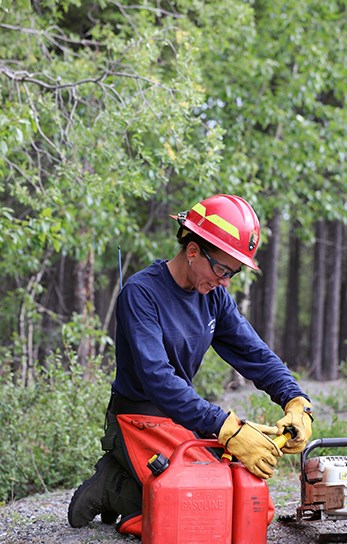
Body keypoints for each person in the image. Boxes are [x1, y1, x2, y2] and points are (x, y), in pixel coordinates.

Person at [68, 193, 313, 536]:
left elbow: (255, 354)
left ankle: (139, 488)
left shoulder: (214, 297)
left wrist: (295, 400)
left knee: (252, 506)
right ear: (193, 250)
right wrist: (226, 428)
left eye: (234, 273)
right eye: (222, 270)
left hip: (181, 418)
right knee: (204, 507)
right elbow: (158, 379)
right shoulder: (141, 294)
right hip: (140, 417)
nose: (225, 282)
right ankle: (112, 486)